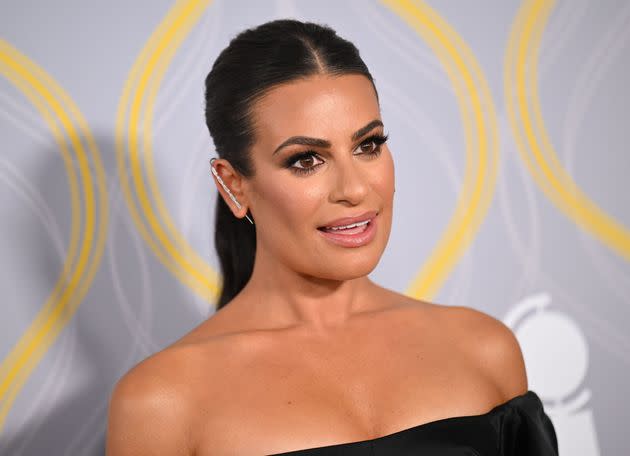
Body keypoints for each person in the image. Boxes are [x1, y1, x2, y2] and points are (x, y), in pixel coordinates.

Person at [105, 19, 558, 455]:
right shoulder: (161, 403)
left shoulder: (483, 348)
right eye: (306, 160)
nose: (356, 189)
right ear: (233, 184)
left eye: (368, 145)